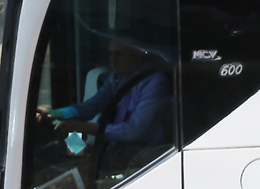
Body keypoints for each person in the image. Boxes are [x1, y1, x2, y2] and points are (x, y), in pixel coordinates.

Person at [39, 39, 173, 149]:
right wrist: (57, 113)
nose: (113, 60)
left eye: (119, 54)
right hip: (115, 147)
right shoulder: (117, 77)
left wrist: (89, 128)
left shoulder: (155, 81)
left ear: (137, 54)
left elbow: (134, 130)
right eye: (110, 54)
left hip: (147, 152)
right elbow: (93, 105)